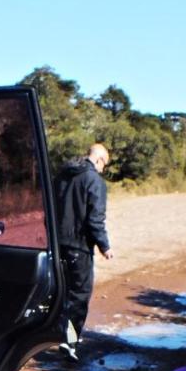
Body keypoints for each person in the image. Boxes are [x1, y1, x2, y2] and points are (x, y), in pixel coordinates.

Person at [53, 143, 114, 360]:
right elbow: (95, 218)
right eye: (104, 164)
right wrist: (104, 245)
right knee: (79, 294)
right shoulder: (94, 181)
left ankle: (54, 334)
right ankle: (69, 342)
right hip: (79, 247)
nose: (103, 170)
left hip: (57, 243)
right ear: (98, 159)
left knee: (59, 290)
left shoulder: (62, 175)